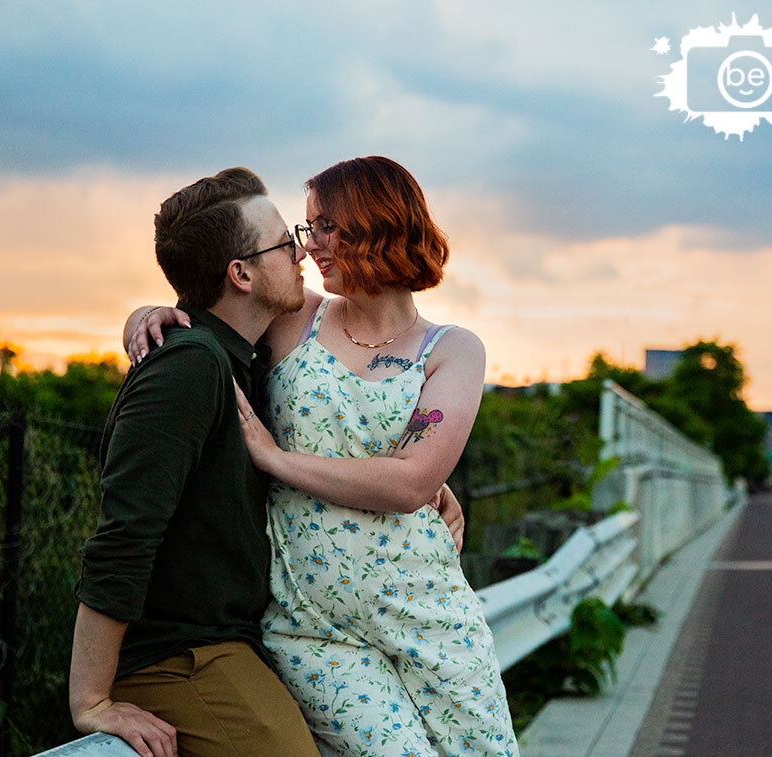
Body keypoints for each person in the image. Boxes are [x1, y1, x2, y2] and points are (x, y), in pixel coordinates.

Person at [127, 156, 518, 756]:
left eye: (328, 227)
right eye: (308, 229)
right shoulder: (297, 320)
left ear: (381, 225)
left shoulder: (453, 350)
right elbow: (219, 300)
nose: (311, 248)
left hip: (429, 613)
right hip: (315, 627)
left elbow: (412, 481)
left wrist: (273, 457)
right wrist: (150, 315)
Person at [70, 167, 320, 757]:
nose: (301, 253)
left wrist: (425, 480)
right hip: (178, 658)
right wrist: (90, 701)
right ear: (241, 274)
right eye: (286, 243)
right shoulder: (189, 366)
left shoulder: (241, 359)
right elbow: (124, 533)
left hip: (234, 644)